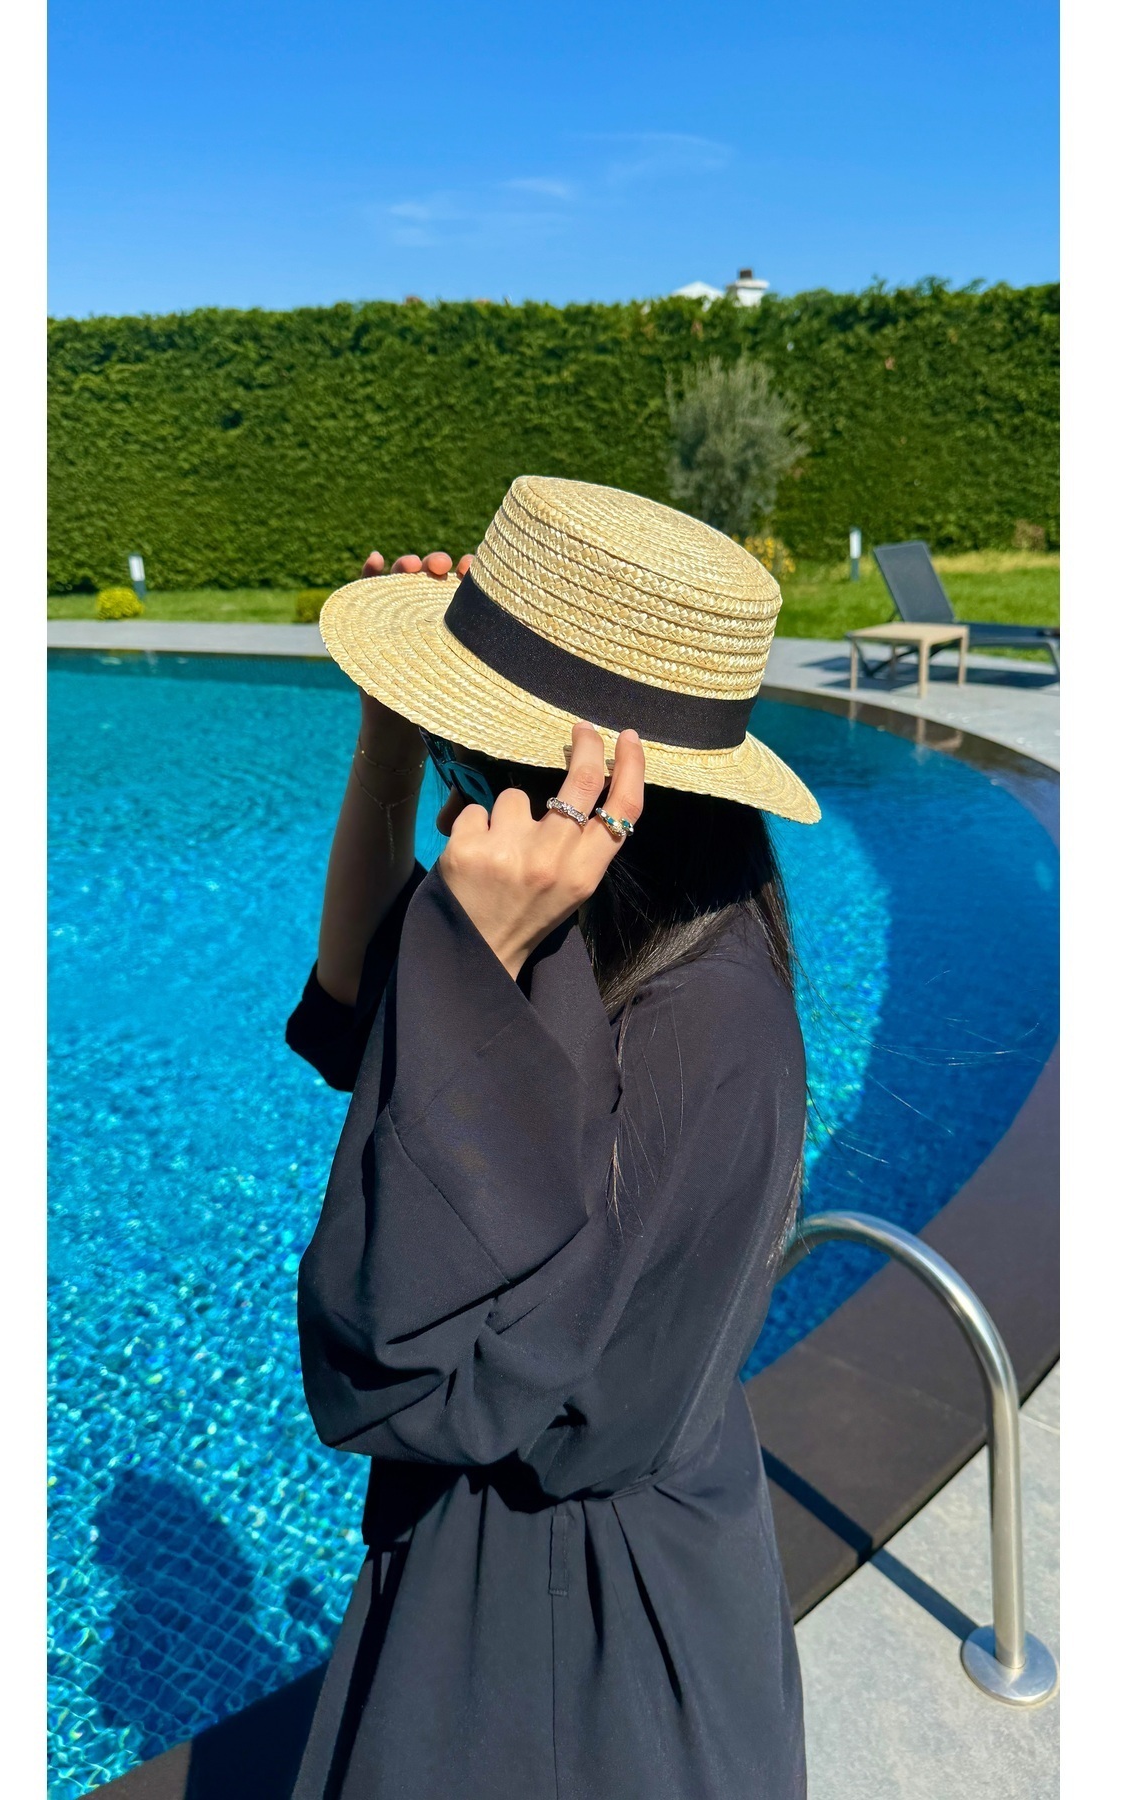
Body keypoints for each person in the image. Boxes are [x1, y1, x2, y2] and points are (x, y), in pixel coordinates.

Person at [284, 479, 820, 1800]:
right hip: (531, 1537)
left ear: (592, 783)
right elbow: (352, 1004)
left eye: (474, 767)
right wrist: (392, 739)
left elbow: (403, 1380)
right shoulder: (584, 920)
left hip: (561, 1618)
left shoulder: (698, 1030)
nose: (453, 808)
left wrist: (471, 964)